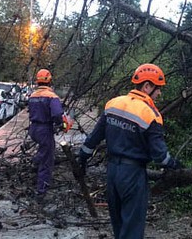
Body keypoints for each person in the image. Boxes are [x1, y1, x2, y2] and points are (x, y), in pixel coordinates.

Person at [78, 63, 183, 239]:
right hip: (133, 176)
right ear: (147, 86)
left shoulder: (113, 104)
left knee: (118, 224)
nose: (159, 93)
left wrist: (82, 159)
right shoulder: (151, 114)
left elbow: (93, 139)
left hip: (111, 172)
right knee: (132, 227)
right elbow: (160, 156)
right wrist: (174, 165)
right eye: (158, 88)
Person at [28, 69, 63, 201]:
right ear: (49, 80)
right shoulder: (51, 96)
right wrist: (60, 124)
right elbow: (57, 115)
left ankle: (36, 162)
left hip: (34, 128)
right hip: (44, 129)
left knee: (43, 151)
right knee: (46, 160)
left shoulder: (33, 95)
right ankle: (41, 190)